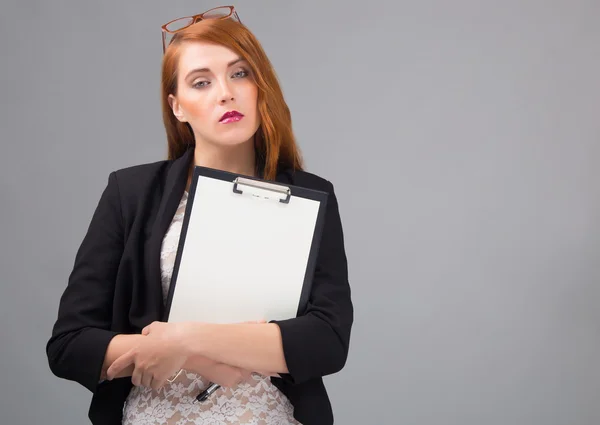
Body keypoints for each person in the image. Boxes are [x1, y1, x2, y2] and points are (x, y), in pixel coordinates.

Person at [46, 5, 353, 425]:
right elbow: (69, 344)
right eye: (201, 82)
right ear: (177, 107)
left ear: (261, 85)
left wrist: (187, 340)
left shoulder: (310, 195)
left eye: (240, 73)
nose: (225, 92)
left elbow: (327, 340)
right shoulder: (131, 193)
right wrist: (160, 350)